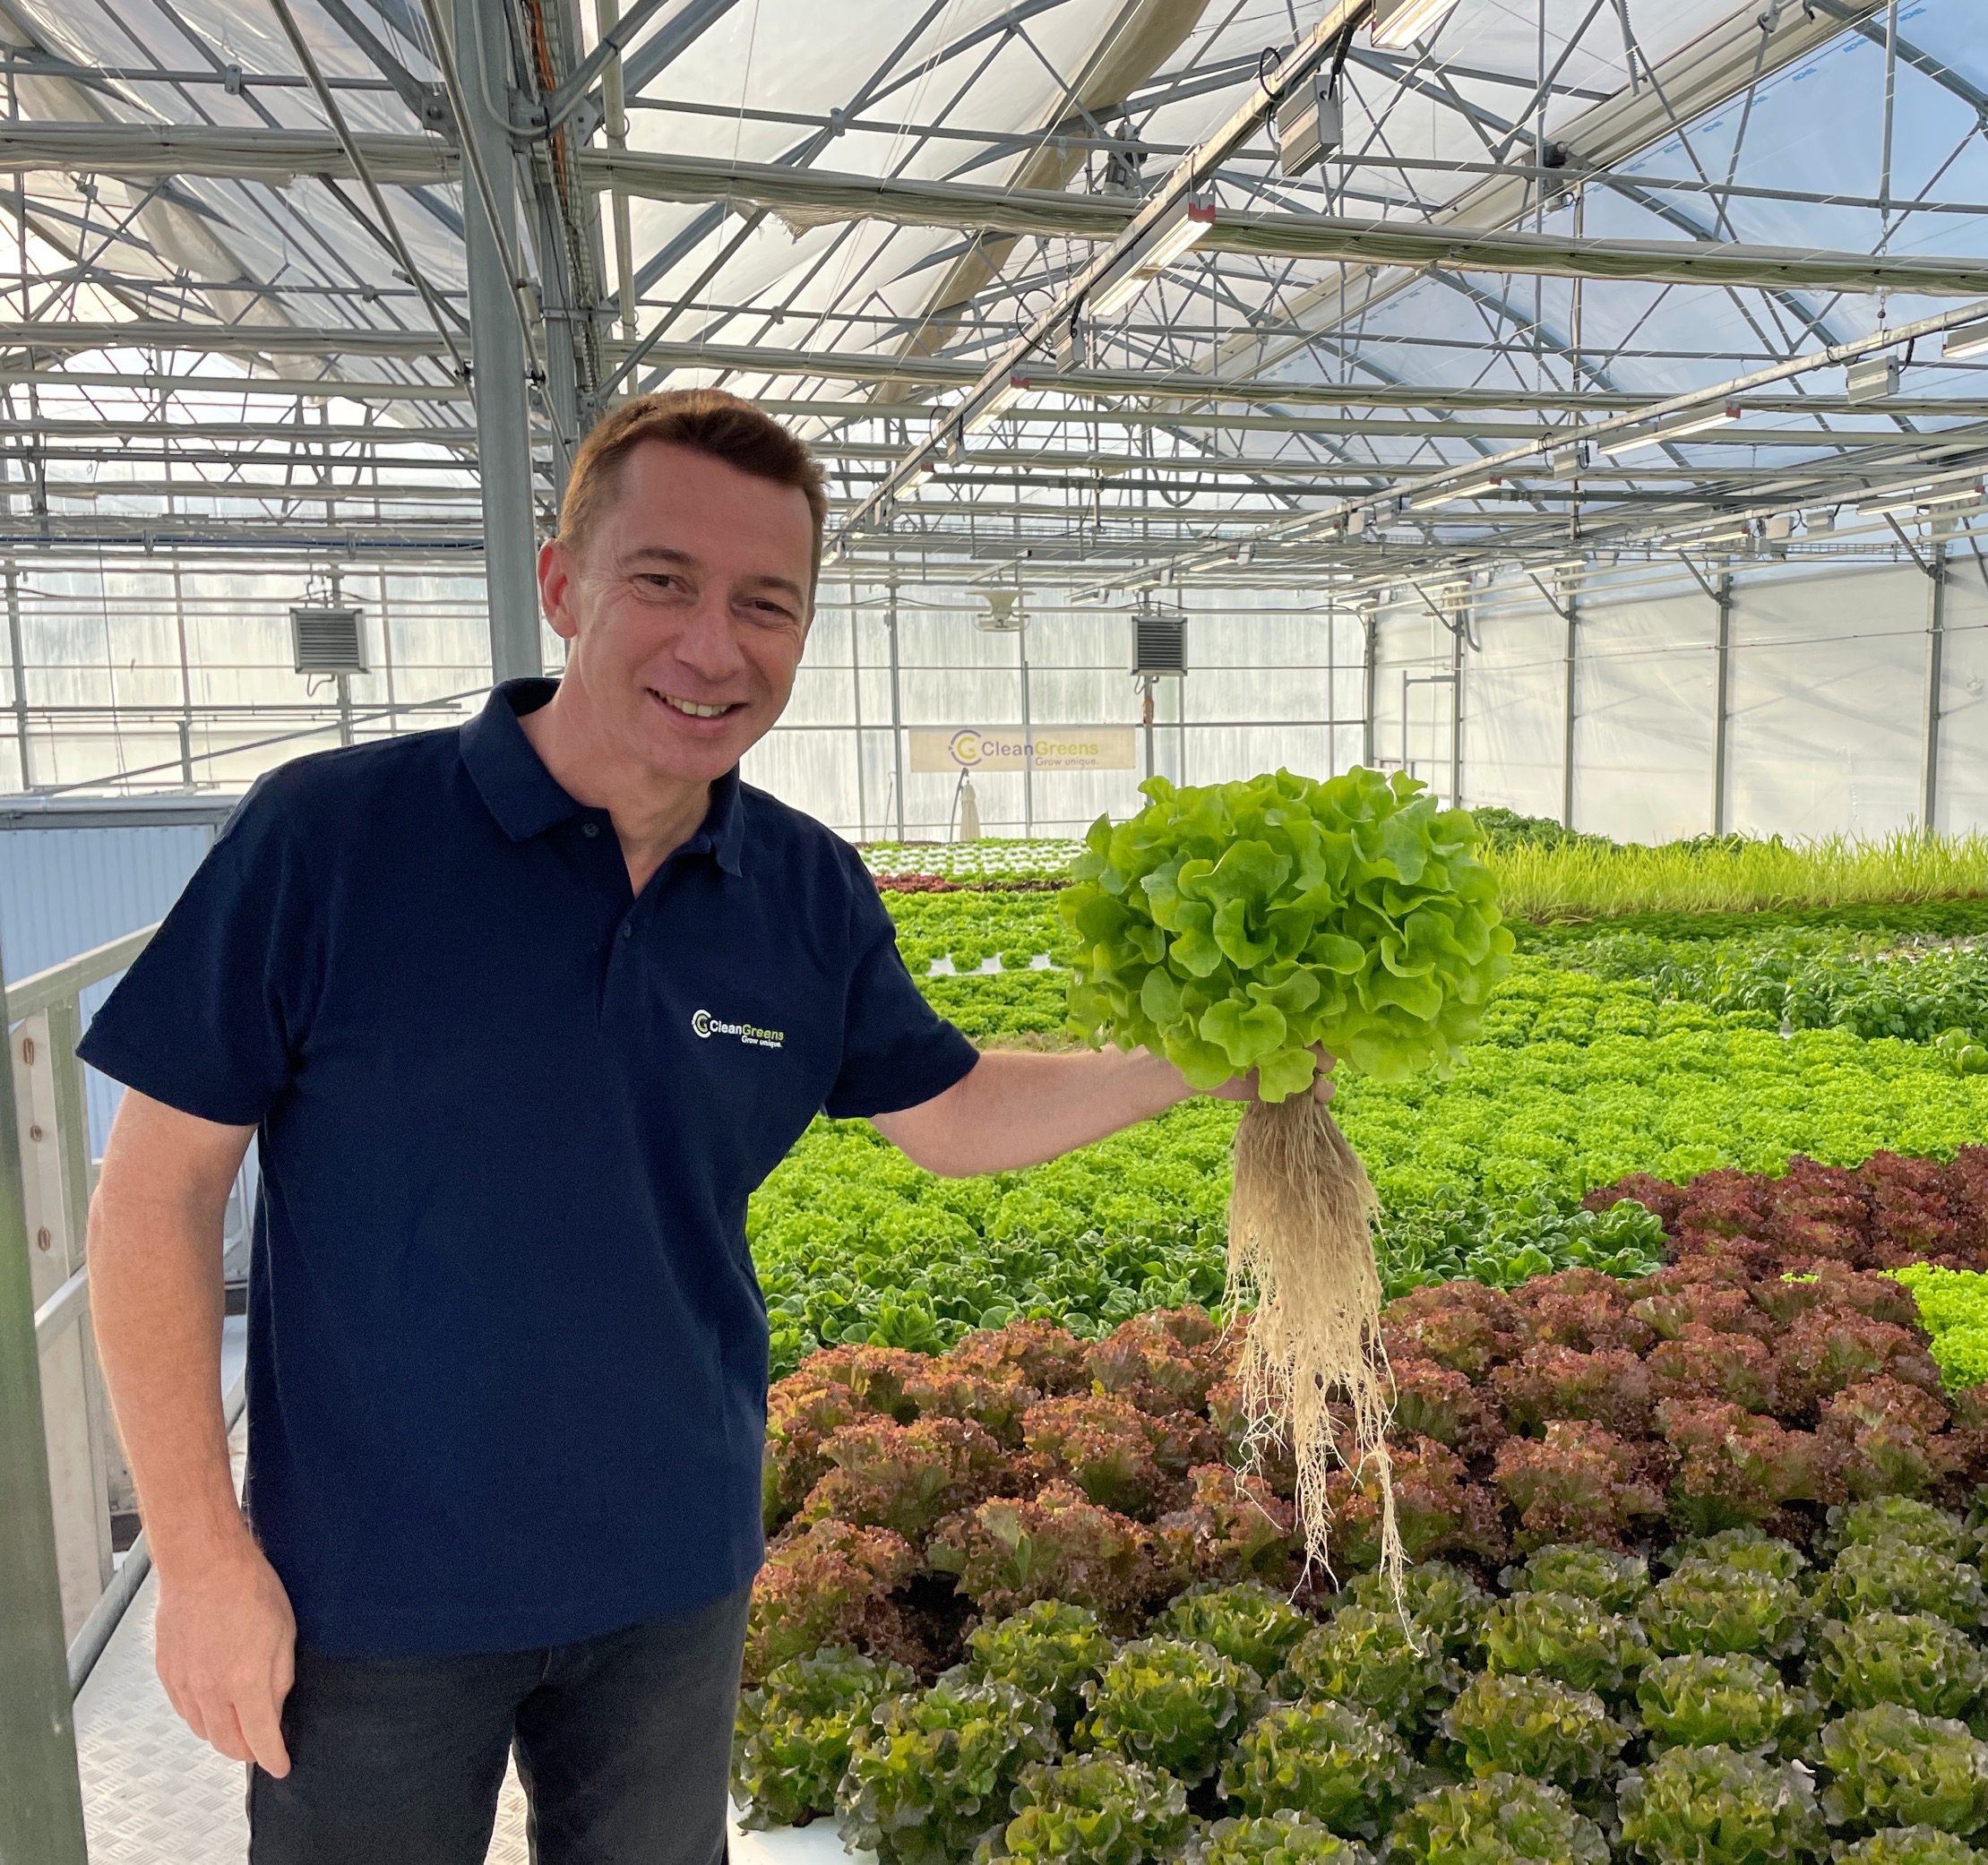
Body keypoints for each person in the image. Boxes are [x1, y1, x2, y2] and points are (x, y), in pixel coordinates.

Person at [78, 389, 1309, 1864]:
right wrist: (202, 1561)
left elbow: (955, 1108)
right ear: (563, 585)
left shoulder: (802, 890)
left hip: (671, 1573)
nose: (714, 645)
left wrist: (1204, 1056)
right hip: (371, 1595)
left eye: (765, 602)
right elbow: (155, 1196)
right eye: (662, 581)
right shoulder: (330, 838)